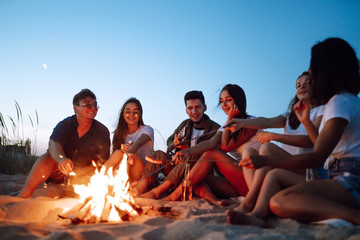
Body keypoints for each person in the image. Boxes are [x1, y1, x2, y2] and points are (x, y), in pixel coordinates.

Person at [229, 38, 360, 226]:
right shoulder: (342, 101)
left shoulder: (339, 103)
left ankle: (355, 216)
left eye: (313, 67)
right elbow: (321, 146)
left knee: (280, 201)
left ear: (327, 69)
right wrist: (305, 121)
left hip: (350, 178)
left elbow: (317, 157)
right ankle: (258, 215)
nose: (309, 71)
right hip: (337, 173)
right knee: (274, 178)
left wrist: (266, 160)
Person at [225, 71, 325, 215]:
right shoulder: (290, 116)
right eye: (298, 85)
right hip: (286, 167)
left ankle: (250, 200)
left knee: (267, 148)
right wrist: (241, 123)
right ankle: (258, 198)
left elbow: (312, 141)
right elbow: (267, 121)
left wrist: (274, 136)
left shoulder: (321, 111)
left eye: (307, 83)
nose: (302, 87)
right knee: (248, 152)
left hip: (307, 169)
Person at [162, 84, 260, 203]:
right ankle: (215, 201)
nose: (223, 105)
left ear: (238, 101)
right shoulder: (224, 127)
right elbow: (210, 142)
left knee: (212, 153)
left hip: (254, 179)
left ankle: (172, 197)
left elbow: (225, 146)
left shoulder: (251, 122)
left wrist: (229, 119)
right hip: (238, 181)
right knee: (196, 178)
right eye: (221, 101)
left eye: (228, 100)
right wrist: (185, 151)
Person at [18, 89, 110, 198]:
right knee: (48, 157)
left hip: (85, 175)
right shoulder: (66, 124)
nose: (93, 108)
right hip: (58, 174)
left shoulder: (102, 131)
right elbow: (53, 144)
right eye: (87, 105)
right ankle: (24, 194)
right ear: (76, 108)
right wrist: (61, 160)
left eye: (95, 105)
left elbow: (102, 163)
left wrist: (78, 171)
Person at [132, 90, 220, 198]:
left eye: (197, 107)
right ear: (186, 110)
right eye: (190, 108)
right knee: (159, 154)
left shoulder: (216, 129)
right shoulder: (185, 124)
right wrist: (174, 144)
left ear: (204, 107)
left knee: (192, 157)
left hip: (196, 172)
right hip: (176, 168)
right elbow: (170, 140)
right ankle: (141, 187)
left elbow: (212, 155)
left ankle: (161, 190)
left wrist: (186, 149)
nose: (194, 111)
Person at [104, 97, 154, 183]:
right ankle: (102, 180)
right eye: (127, 111)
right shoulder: (119, 134)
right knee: (118, 153)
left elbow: (139, 143)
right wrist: (122, 151)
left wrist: (128, 151)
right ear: (123, 114)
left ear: (140, 114)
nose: (131, 114)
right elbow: (115, 157)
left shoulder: (147, 129)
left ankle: (116, 182)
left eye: (135, 112)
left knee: (130, 155)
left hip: (143, 174)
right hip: (125, 169)